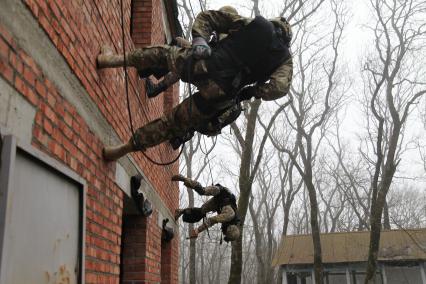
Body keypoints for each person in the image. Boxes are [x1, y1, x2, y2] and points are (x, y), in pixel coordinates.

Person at [98, 6, 293, 161]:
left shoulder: (258, 25)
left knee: (161, 55)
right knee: (170, 125)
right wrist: (252, 91)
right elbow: (279, 88)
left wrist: (200, 39)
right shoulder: (284, 59)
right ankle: (121, 150)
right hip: (220, 95)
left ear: (275, 24)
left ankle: (110, 60)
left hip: (206, 65)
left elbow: (209, 17)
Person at [172, 174, 240, 242]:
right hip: (220, 192)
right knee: (202, 191)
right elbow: (212, 220)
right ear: (230, 230)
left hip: (217, 203)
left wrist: (198, 230)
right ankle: (183, 179)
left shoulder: (229, 222)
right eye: (226, 233)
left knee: (200, 212)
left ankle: (181, 211)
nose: (224, 233)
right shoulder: (229, 216)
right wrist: (198, 230)